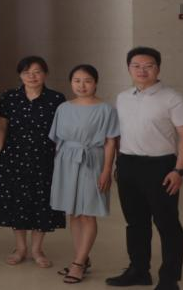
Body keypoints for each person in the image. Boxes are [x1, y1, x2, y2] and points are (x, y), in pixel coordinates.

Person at [106, 47, 183, 290]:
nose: (142, 70)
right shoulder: (123, 97)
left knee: (167, 224)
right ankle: (138, 270)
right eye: (136, 66)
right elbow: (119, 134)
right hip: (128, 164)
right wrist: (118, 164)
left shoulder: (173, 98)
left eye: (148, 66)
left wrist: (179, 170)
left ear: (158, 68)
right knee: (135, 223)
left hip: (161, 167)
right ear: (128, 68)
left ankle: (169, 279)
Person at [0, 56, 66, 269]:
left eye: (37, 72)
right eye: (26, 72)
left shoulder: (56, 98)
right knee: (17, 201)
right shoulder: (10, 97)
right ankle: (20, 248)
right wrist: (0, 151)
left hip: (45, 158)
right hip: (14, 157)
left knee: (42, 201)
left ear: (45, 74)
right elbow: (1, 125)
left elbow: (62, 130)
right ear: (20, 75)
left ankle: (37, 249)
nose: (32, 76)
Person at [50, 64, 119, 285]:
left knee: (88, 213)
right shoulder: (63, 108)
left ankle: (78, 264)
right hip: (67, 161)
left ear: (96, 83)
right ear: (71, 83)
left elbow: (110, 142)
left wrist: (107, 170)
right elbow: (57, 142)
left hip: (93, 161)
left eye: (87, 81)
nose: (82, 85)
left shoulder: (106, 109)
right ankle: (81, 257)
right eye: (77, 80)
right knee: (73, 213)